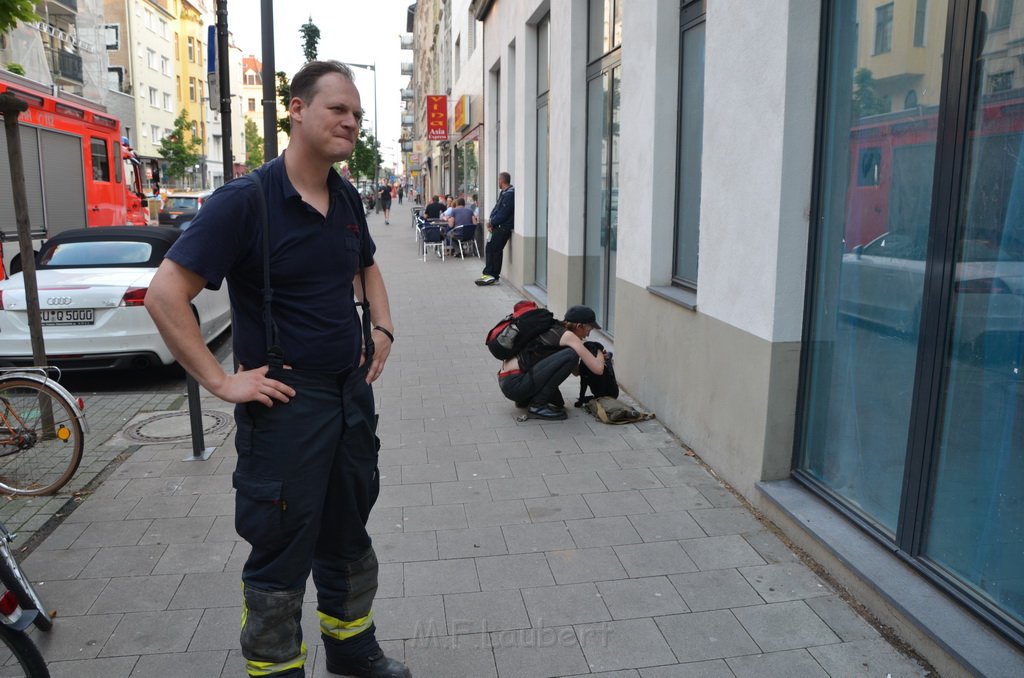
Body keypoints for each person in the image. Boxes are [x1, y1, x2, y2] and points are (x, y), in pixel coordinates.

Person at [144, 60, 408, 678]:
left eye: (358, 115)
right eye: (338, 109)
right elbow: (164, 294)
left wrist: (383, 325)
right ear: (295, 108)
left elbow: (365, 264)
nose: (351, 122)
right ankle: (275, 668)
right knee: (281, 549)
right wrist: (221, 380)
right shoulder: (247, 201)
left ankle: (350, 646)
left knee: (349, 531)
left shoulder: (344, 194)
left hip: (348, 400)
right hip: (285, 405)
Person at [498, 305, 606, 420]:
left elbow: (575, 371)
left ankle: (525, 399)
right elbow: (598, 369)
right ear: (579, 326)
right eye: (588, 330)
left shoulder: (556, 328)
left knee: (559, 403)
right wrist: (599, 350)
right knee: (571, 355)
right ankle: (537, 406)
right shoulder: (568, 336)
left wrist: (585, 353)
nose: (588, 335)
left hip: (508, 381)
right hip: (515, 384)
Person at [476, 172, 514, 286]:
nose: (498, 182)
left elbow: (504, 213)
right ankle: (489, 274)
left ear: (502, 181)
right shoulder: (504, 193)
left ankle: (493, 275)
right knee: (490, 248)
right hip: (497, 226)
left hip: (503, 227)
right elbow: (496, 209)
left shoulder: (509, 194)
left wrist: (493, 222)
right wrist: (491, 221)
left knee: (495, 250)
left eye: (498, 180)